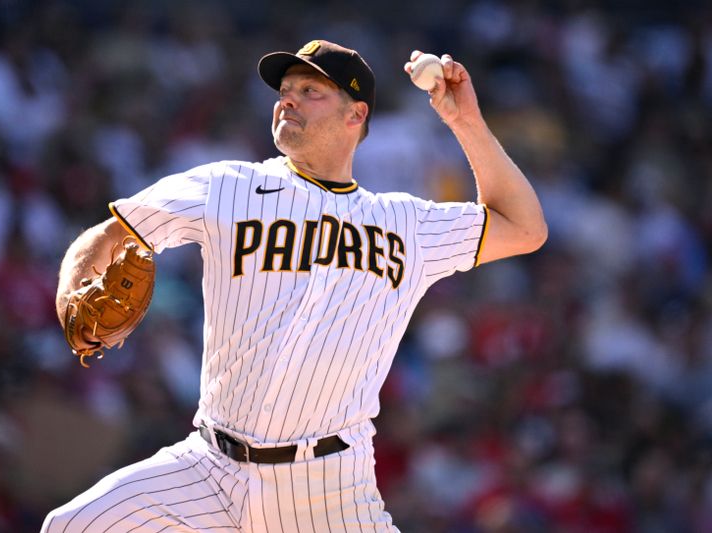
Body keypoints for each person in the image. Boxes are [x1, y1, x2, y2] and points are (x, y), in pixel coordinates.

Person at [42, 40, 547, 532]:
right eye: (286, 88)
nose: (288, 98)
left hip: (326, 489)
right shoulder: (226, 186)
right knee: (70, 526)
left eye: (311, 91)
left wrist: (465, 121)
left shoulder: (405, 225)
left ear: (356, 116)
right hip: (209, 467)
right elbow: (109, 235)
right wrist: (72, 296)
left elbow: (525, 227)